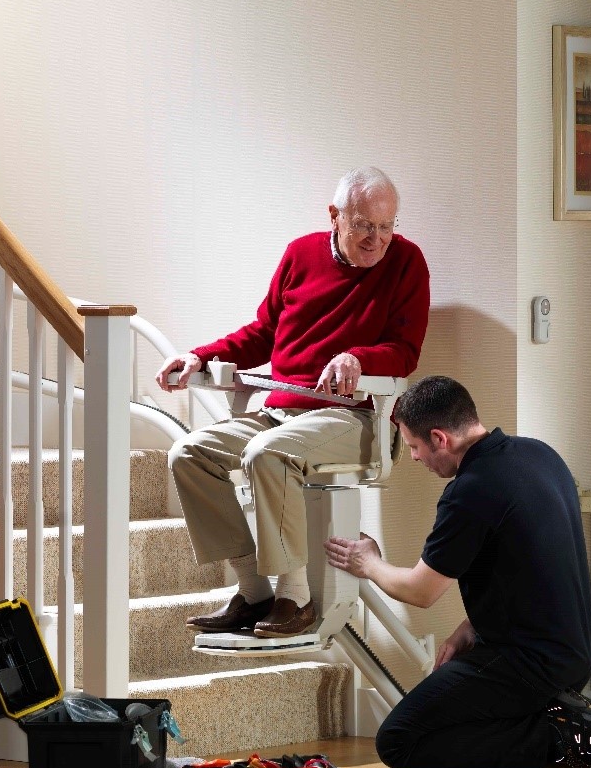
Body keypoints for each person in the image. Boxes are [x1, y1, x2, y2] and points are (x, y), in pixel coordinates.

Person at [157, 167, 430, 638]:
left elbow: (405, 351)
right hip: (282, 412)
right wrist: (199, 355)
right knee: (189, 454)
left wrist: (358, 358)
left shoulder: (407, 262)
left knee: (269, 453)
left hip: (357, 418)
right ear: (335, 217)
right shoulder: (300, 254)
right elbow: (264, 332)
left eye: (387, 227)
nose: (377, 239)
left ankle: (295, 595)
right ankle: (252, 591)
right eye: (364, 225)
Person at [323, 375, 591, 768]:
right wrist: (473, 624)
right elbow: (534, 566)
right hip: (572, 657)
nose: (416, 458)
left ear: (439, 438)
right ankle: (569, 718)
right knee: (455, 710)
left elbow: (421, 591)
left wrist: (367, 562)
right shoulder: (540, 455)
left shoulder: (470, 491)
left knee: (399, 740)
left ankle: (561, 737)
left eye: (414, 447)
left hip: (526, 664)